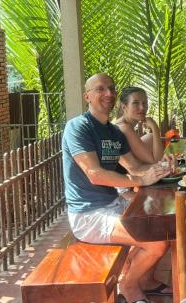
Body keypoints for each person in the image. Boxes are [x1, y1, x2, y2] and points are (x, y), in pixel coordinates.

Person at [62, 73, 174, 303]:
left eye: (111, 89)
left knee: (164, 224)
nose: (109, 94)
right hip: (88, 214)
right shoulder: (78, 128)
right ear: (87, 96)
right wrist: (141, 181)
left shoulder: (113, 132)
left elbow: (133, 166)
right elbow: (95, 175)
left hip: (113, 203)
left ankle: (140, 276)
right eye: (101, 89)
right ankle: (129, 286)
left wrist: (161, 169)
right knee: (156, 242)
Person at [114, 87, 164, 165]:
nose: (142, 107)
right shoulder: (124, 127)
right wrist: (155, 127)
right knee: (151, 137)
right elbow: (158, 161)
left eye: (144, 103)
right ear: (124, 107)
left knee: (150, 138)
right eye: (135, 103)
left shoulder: (123, 124)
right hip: (121, 175)